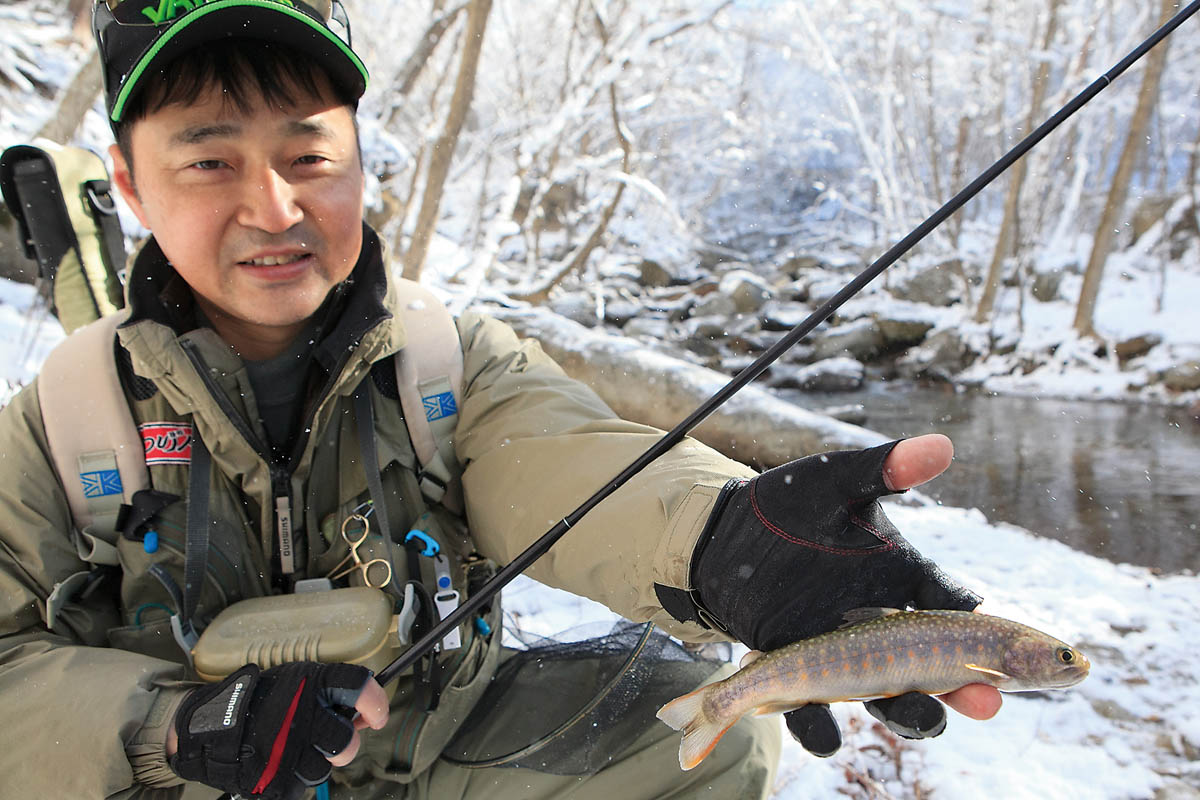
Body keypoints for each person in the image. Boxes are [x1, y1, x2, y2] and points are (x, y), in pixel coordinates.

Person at [0, 1, 1000, 798]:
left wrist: (724, 535)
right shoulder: (54, 427)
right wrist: (167, 727)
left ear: (359, 160)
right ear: (131, 185)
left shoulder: (450, 364)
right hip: (175, 781)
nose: (275, 208)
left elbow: (568, 458)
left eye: (310, 156)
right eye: (211, 160)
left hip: (435, 758)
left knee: (699, 739)